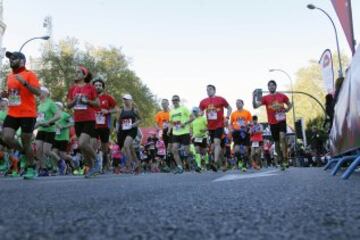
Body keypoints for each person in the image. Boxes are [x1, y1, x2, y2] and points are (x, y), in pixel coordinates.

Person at [1, 51, 41, 179]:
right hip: (13, 112)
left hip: (28, 113)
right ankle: (25, 153)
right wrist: (6, 95)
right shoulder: (10, 76)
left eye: (14, 58)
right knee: (6, 137)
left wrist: (25, 83)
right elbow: (15, 95)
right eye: (10, 59)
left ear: (22, 60)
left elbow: (38, 92)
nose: (11, 60)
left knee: (26, 141)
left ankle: (31, 167)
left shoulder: (30, 74)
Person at [67, 65, 100, 178]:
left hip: (89, 119)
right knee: (82, 147)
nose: (75, 74)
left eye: (78, 72)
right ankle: (91, 168)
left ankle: (97, 161)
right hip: (78, 120)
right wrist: (75, 100)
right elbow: (68, 105)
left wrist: (87, 101)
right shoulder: (72, 89)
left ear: (84, 75)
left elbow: (97, 104)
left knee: (82, 143)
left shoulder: (90, 88)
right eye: (75, 72)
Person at [253, 80, 293, 170]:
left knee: (282, 137)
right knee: (277, 143)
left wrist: (287, 110)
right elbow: (255, 106)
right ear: (268, 88)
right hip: (272, 122)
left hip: (281, 120)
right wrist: (253, 97)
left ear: (275, 86)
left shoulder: (282, 96)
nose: (271, 87)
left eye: (272, 85)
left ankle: (286, 158)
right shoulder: (265, 98)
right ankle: (281, 160)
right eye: (269, 86)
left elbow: (290, 105)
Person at [199, 84, 232, 171]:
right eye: (207, 90)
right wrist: (200, 113)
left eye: (210, 89)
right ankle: (223, 164)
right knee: (216, 147)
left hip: (219, 125)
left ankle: (215, 161)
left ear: (214, 90)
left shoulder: (220, 99)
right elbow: (200, 111)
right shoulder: (203, 101)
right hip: (210, 127)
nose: (208, 91)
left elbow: (229, 108)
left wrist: (227, 118)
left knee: (216, 142)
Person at [92, 77, 118, 172]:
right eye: (96, 85)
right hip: (93, 125)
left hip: (104, 126)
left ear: (102, 87)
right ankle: (94, 166)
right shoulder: (90, 98)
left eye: (100, 85)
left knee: (104, 149)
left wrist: (108, 111)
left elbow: (117, 109)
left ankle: (105, 164)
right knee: (92, 145)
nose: (98, 87)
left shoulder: (108, 97)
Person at [34, 87, 61, 176]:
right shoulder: (39, 105)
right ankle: (44, 168)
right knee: (38, 149)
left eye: (40, 91)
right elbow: (39, 119)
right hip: (41, 129)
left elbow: (58, 115)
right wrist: (32, 128)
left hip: (50, 129)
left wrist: (48, 122)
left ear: (46, 93)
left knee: (46, 151)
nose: (38, 93)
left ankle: (60, 162)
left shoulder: (51, 103)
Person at [169, 95, 199, 174]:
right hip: (175, 133)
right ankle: (180, 167)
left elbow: (192, 118)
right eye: (173, 100)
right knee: (174, 150)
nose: (174, 101)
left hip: (184, 132)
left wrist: (185, 123)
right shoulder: (171, 111)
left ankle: (193, 161)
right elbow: (171, 122)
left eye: (176, 100)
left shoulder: (184, 108)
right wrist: (169, 129)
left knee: (187, 151)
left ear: (178, 100)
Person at [117, 94, 141, 174]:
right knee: (130, 149)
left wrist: (134, 124)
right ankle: (137, 163)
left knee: (126, 146)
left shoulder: (135, 110)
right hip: (123, 131)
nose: (125, 101)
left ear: (131, 100)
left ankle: (129, 166)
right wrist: (117, 129)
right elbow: (118, 121)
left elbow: (140, 120)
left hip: (132, 130)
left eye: (127, 99)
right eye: (124, 99)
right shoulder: (121, 110)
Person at [50, 102, 74, 175]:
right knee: (53, 153)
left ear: (60, 107)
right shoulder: (53, 116)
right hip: (55, 137)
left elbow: (72, 123)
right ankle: (56, 169)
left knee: (62, 155)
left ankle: (74, 160)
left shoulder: (65, 115)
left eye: (56, 106)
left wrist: (64, 127)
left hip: (64, 137)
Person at [230, 99, 252, 171]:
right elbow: (231, 124)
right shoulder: (233, 113)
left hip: (245, 132)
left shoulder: (247, 112)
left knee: (245, 149)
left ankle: (244, 165)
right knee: (236, 150)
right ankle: (239, 162)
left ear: (242, 104)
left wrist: (248, 126)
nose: (237, 104)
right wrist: (231, 130)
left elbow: (251, 122)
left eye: (239, 103)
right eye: (236, 103)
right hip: (237, 132)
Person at [154, 99, 172, 169]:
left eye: (165, 103)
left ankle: (173, 163)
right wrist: (159, 129)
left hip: (172, 131)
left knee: (172, 147)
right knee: (167, 148)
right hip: (164, 132)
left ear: (168, 104)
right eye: (162, 104)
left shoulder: (172, 112)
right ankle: (168, 165)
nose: (163, 105)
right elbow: (155, 123)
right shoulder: (159, 113)